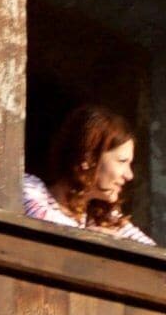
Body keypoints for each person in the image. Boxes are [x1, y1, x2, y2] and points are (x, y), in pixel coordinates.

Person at [19, 104, 152, 244]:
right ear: (88, 158)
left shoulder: (103, 217)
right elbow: (43, 223)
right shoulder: (29, 188)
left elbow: (153, 253)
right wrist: (90, 239)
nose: (129, 175)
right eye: (122, 161)